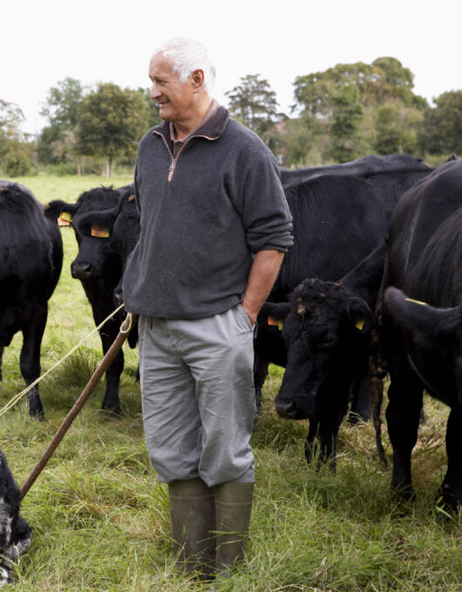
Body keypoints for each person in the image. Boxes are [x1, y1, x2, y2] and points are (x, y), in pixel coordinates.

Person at [122, 38, 293, 579]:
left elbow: (274, 239)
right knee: (171, 450)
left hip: (218, 325)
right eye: (151, 82)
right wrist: (139, 293)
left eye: (161, 82)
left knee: (224, 451)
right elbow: (149, 228)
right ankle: (192, 568)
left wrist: (243, 317)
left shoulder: (245, 150)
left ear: (196, 79)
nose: (153, 93)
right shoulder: (150, 146)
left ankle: (229, 571)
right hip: (157, 328)